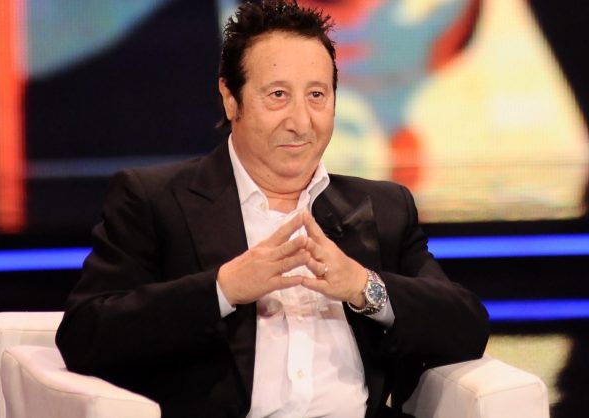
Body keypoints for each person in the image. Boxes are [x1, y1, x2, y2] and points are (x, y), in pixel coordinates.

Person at [55, 1, 489, 417]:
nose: (301, 121)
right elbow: (86, 336)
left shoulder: (383, 207)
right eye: (278, 95)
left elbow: (466, 326)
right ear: (231, 99)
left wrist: (363, 286)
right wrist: (223, 289)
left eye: (317, 95)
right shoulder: (155, 200)